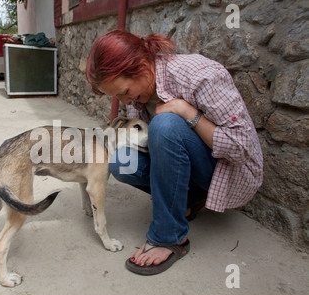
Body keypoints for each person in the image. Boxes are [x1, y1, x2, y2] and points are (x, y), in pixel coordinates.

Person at [85, 30, 263, 275]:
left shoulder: (199, 74)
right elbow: (150, 148)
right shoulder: (137, 95)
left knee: (165, 124)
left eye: (124, 92)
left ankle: (170, 237)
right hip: (190, 167)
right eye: (116, 96)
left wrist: (187, 112)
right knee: (122, 162)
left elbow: (241, 147)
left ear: (140, 65)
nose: (125, 101)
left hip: (227, 171)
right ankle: (189, 200)